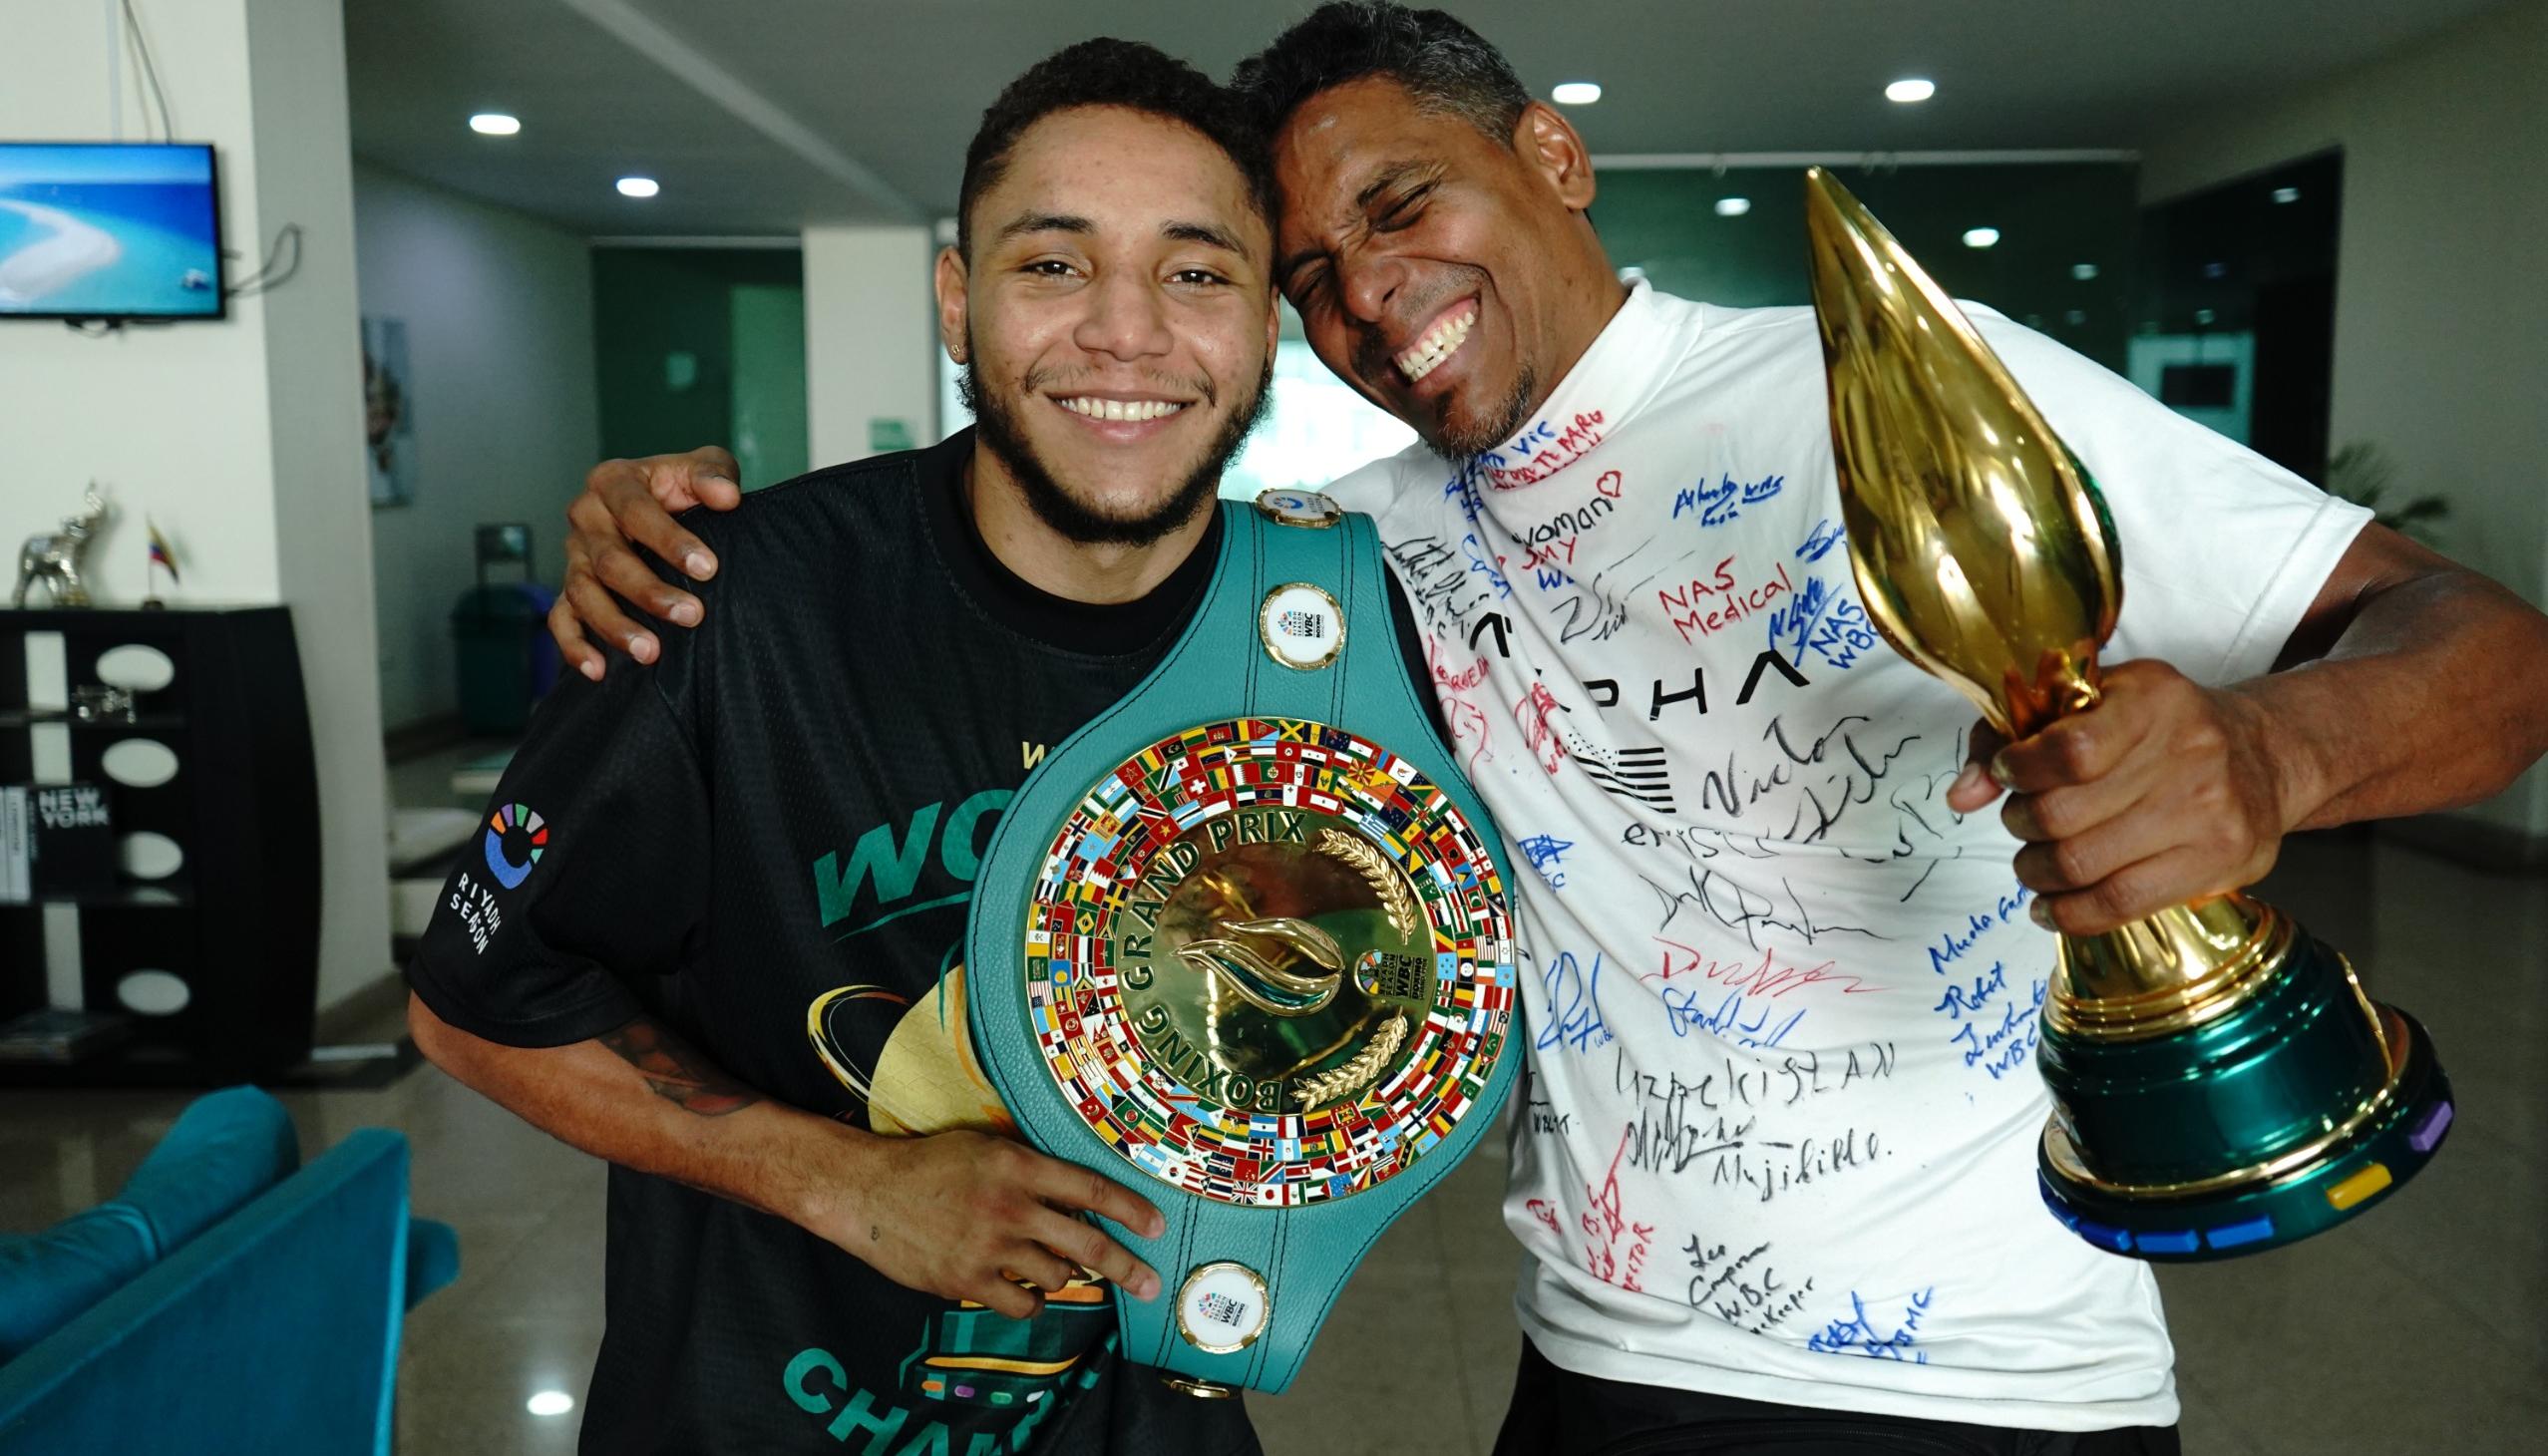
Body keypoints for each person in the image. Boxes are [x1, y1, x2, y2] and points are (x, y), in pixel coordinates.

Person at [551, 5, 2548, 1453]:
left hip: (1989, 1378)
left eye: (1404, 207)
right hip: (1596, 1364)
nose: (1376, 299)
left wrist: (2278, 759)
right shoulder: (1367, 553)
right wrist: (672, 534)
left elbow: (2494, 650)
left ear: (1556, 157)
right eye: (1315, 277)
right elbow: (1058, 519)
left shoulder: (1886, 398)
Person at [399, 38, 1439, 1455]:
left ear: (1265, 323)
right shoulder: (732, 603)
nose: (1125, 332)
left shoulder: (1336, 633)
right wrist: (843, 1181)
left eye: (1196, 273)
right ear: (959, 301)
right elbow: (469, 1002)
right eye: (1053, 265)